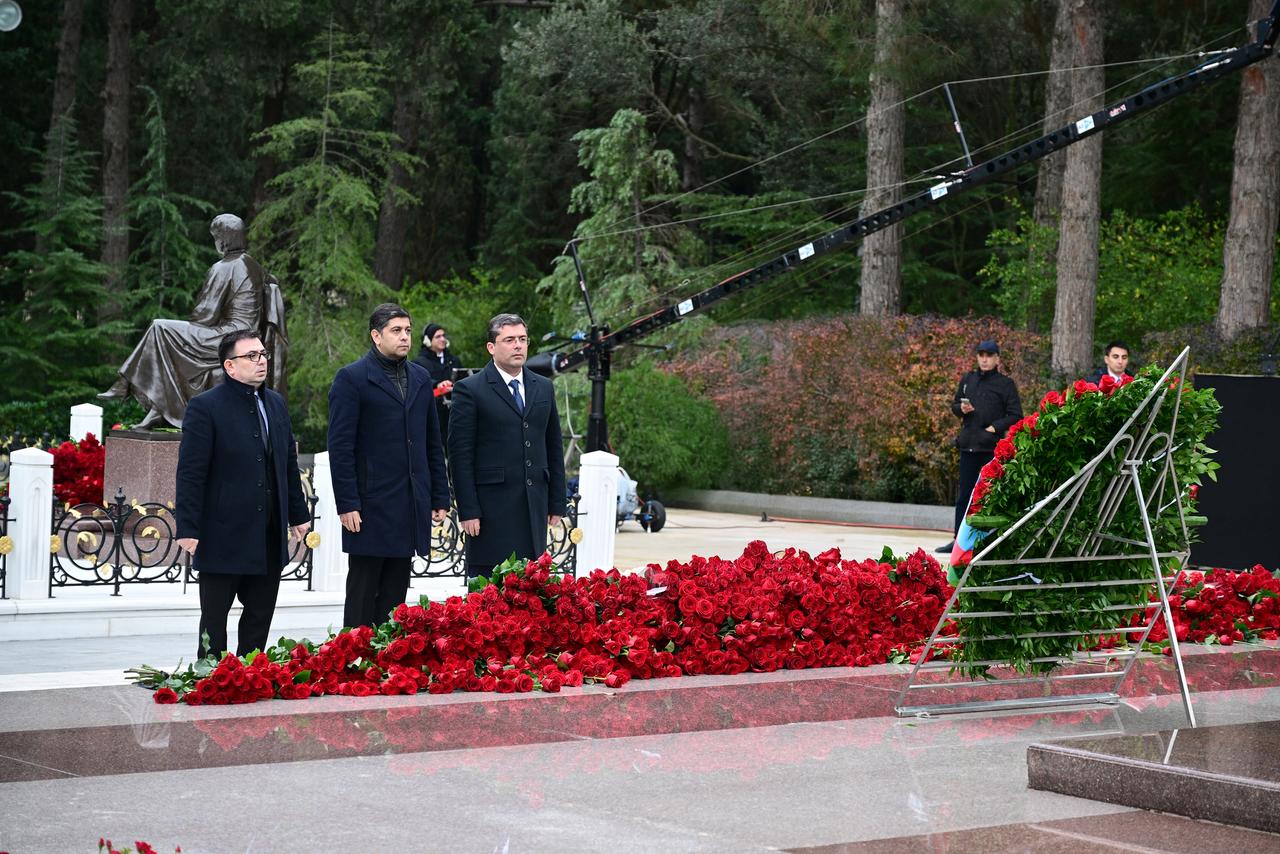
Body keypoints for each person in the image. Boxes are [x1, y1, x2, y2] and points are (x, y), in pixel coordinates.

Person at [175, 329, 311, 659]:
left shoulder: (275, 403)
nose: (261, 361)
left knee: (260, 614)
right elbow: (191, 472)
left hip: (268, 530)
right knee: (214, 617)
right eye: (251, 356)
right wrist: (188, 527)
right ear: (230, 366)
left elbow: (288, 464)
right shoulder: (205, 407)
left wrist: (298, 514)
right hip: (222, 531)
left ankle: (251, 674)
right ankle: (212, 677)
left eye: (263, 354)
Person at [99, 213, 288, 428]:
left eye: (216, 237)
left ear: (224, 239)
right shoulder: (254, 265)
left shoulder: (224, 267)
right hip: (246, 334)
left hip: (229, 336)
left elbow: (204, 316)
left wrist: (194, 318)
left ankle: (127, 384)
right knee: (165, 334)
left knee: (160, 328)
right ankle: (154, 407)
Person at [328, 303, 450, 628]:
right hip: (369, 504)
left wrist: (439, 495)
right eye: (396, 330)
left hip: (408, 501)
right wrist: (347, 503)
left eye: (408, 330)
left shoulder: (422, 378)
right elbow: (340, 447)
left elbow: (431, 442)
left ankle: (388, 664)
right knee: (363, 591)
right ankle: (354, 661)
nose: (405, 337)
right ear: (376, 335)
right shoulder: (352, 378)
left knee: (396, 595)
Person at [448, 313, 567, 579]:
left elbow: (553, 445)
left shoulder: (543, 387)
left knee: (530, 591)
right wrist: (468, 509)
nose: (518, 346)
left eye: (522, 340)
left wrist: (557, 501)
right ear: (491, 347)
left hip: (533, 506)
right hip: (491, 512)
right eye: (510, 340)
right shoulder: (470, 389)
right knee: (490, 595)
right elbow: (460, 455)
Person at [937, 339, 1023, 553]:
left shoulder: (1005, 384)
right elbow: (955, 405)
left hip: (991, 450)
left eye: (989, 356)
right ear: (977, 357)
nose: (984, 359)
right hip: (968, 446)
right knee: (964, 496)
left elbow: (1016, 414)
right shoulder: (968, 379)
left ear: (997, 359)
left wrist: (995, 427)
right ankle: (958, 541)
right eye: (981, 355)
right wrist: (961, 409)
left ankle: (985, 543)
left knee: (988, 496)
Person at [412, 323, 464, 448]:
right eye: (438, 336)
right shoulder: (419, 362)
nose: (442, 339)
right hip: (432, 412)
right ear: (428, 340)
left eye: (443, 336)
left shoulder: (454, 360)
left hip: (454, 412)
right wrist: (437, 384)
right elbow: (419, 382)